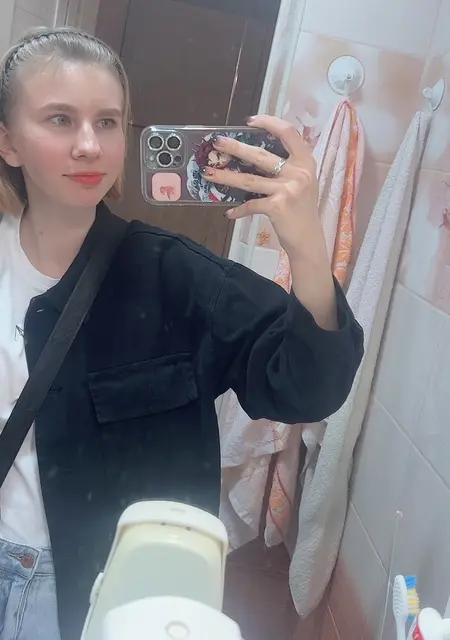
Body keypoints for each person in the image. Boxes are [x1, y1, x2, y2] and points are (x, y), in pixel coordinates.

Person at [0, 27, 363, 640]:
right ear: (8, 142)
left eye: (107, 122)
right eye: (60, 119)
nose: (89, 145)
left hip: (106, 592)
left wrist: (306, 245)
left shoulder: (179, 278)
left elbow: (307, 389)